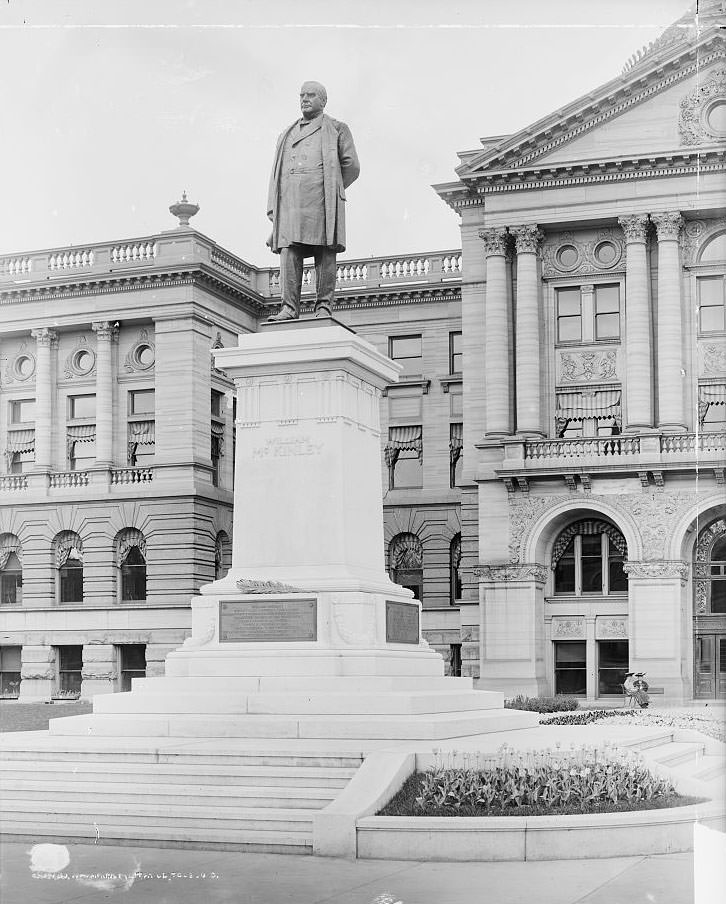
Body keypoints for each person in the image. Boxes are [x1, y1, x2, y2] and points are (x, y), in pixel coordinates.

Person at [266, 81, 360, 321]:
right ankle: (289, 307)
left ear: (323, 101)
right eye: (302, 95)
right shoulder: (286, 133)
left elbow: (351, 166)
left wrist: (330, 187)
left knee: (325, 251)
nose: (305, 99)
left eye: (311, 95)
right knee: (289, 251)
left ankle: (323, 306)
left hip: (321, 199)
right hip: (290, 203)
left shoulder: (337, 128)